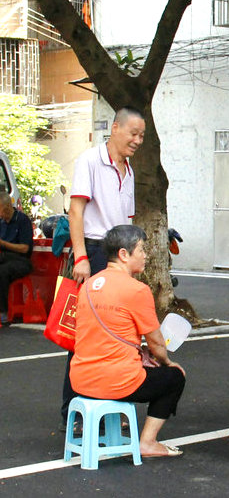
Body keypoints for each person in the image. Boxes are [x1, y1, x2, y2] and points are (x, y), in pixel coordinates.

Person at [61, 106, 146, 427]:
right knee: (84, 335)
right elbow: (76, 211)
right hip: (95, 252)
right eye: (133, 133)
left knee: (120, 334)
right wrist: (80, 257)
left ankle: (111, 408)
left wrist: (134, 263)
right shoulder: (90, 161)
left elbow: (129, 222)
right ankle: (74, 413)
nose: (137, 141)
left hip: (121, 258)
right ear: (115, 128)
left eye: (141, 136)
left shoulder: (130, 171)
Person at [70, 225, 186, 457]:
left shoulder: (88, 285)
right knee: (174, 377)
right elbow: (157, 344)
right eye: (141, 250)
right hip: (117, 381)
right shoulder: (137, 290)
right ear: (124, 254)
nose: (146, 255)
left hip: (80, 379)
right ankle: (148, 442)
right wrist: (166, 362)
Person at [0, 192, 33, 324]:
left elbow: (25, 248)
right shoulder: (1, 222)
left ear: (7, 206)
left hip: (21, 260)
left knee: (2, 271)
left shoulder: (22, 220)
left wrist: (3, 244)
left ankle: (3, 312)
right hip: (4, 257)